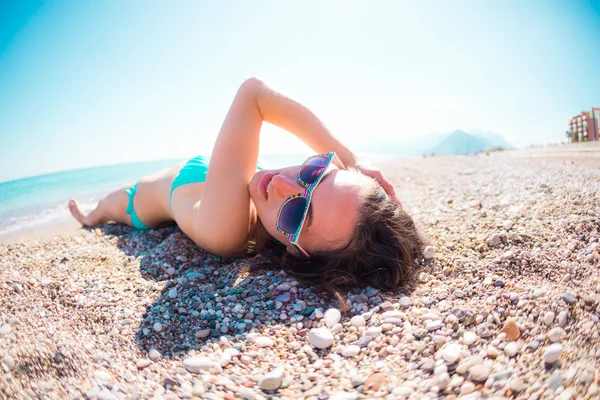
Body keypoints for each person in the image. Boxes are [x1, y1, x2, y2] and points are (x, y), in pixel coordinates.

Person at [68, 78, 425, 297]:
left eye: (298, 212)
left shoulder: (225, 231)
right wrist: (354, 163)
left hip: (137, 203)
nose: (284, 184)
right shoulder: (267, 195)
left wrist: (347, 157)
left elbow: (253, 93)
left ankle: (87, 216)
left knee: (102, 210)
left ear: (299, 253)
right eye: (316, 171)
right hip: (176, 177)